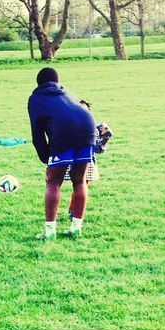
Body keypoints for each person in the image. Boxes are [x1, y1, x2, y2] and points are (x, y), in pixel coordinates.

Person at [28, 67, 97, 240]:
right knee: (79, 179)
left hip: (64, 133)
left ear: (39, 83)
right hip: (88, 128)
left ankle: (50, 232)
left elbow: (37, 133)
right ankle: (76, 228)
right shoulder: (67, 93)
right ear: (57, 82)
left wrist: (46, 158)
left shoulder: (36, 99)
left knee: (53, 181)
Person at [79, 99, 113, 185]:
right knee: (79, 185)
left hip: (88, 162)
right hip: (73, 161)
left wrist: (105, 140)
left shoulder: (94, 130)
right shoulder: (70, 127)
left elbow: (97, 150)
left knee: (83, 185)